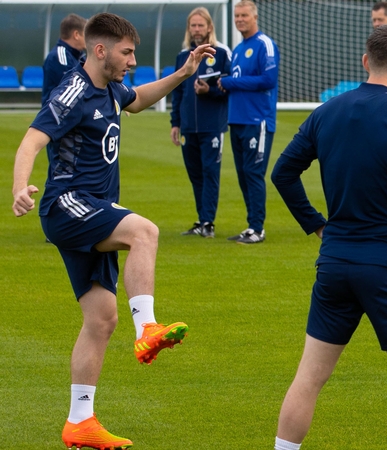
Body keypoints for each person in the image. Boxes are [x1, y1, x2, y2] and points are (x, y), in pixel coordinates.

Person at [12, 12, 215, 448]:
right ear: (99, 50)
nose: (132, 60)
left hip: (92, 208)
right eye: (127, 52)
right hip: (67, 205)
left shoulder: (111, 88)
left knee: (101, 319)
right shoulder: (73, 91)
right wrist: (18, 188)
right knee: (144, 231)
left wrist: (182, 72)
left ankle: (80, 422)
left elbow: (138, 99)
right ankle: (148, 329)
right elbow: (31, 140)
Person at [271, 24, 387, 450]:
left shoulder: (326, 111)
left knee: (308, 377)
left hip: (335, 261)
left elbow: (282, 173)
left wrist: (318, 225)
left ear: (364, 61)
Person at [217, 0, 279, 244]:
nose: (239, 19)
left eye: (244, 15)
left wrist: (230, 83)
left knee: (253, 173)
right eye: (237, 15)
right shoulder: (239, 49)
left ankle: (258, 228)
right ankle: (251, 225)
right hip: (237, 119)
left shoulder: (265, 44)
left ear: (255, 17)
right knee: (243, 174)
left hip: (258, 119)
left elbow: (269, 79)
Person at [170, 7, 231, 239]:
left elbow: (231, 87)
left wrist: (211, 91)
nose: (196, 30)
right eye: (193, 25)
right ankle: (201, 220)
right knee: (195, 174)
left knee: (210, 172)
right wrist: (175, 122)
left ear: (209, 27)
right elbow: (177, 92)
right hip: (188, 126)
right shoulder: (182, 55)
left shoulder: (222, 53)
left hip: (212, 125)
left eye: (200, 25)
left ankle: (208, 222)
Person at [42, 14, 87, 106]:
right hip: (58, 116)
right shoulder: (59, 57)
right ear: (76, 35)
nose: (89, 39)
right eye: (86, 34)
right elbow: (72, 88)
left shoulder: (80, 56)